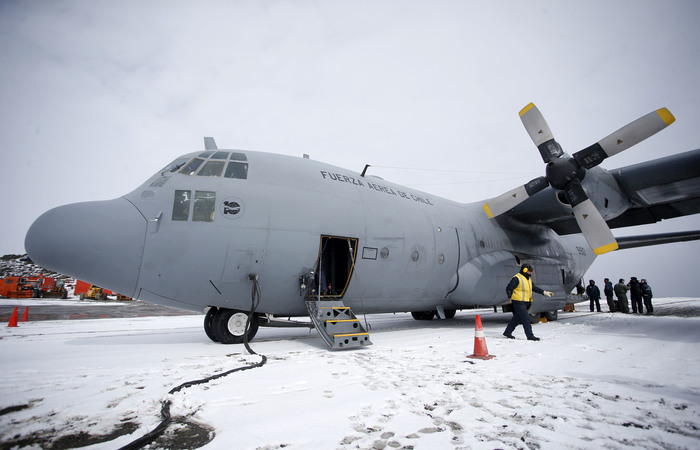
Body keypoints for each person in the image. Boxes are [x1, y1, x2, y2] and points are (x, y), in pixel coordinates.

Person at [503, 264, 554, 341]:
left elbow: (534, 288)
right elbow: (509, 288)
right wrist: (510, 297)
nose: (530, 273)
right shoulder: (517, 278)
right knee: (526, 318)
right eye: (529, 271)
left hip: (525, 302)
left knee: (517, 318)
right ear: (524, 270)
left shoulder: (528, 279)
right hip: (518, 301)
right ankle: (530, 336)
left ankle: (507, 332)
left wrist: (544, 292)